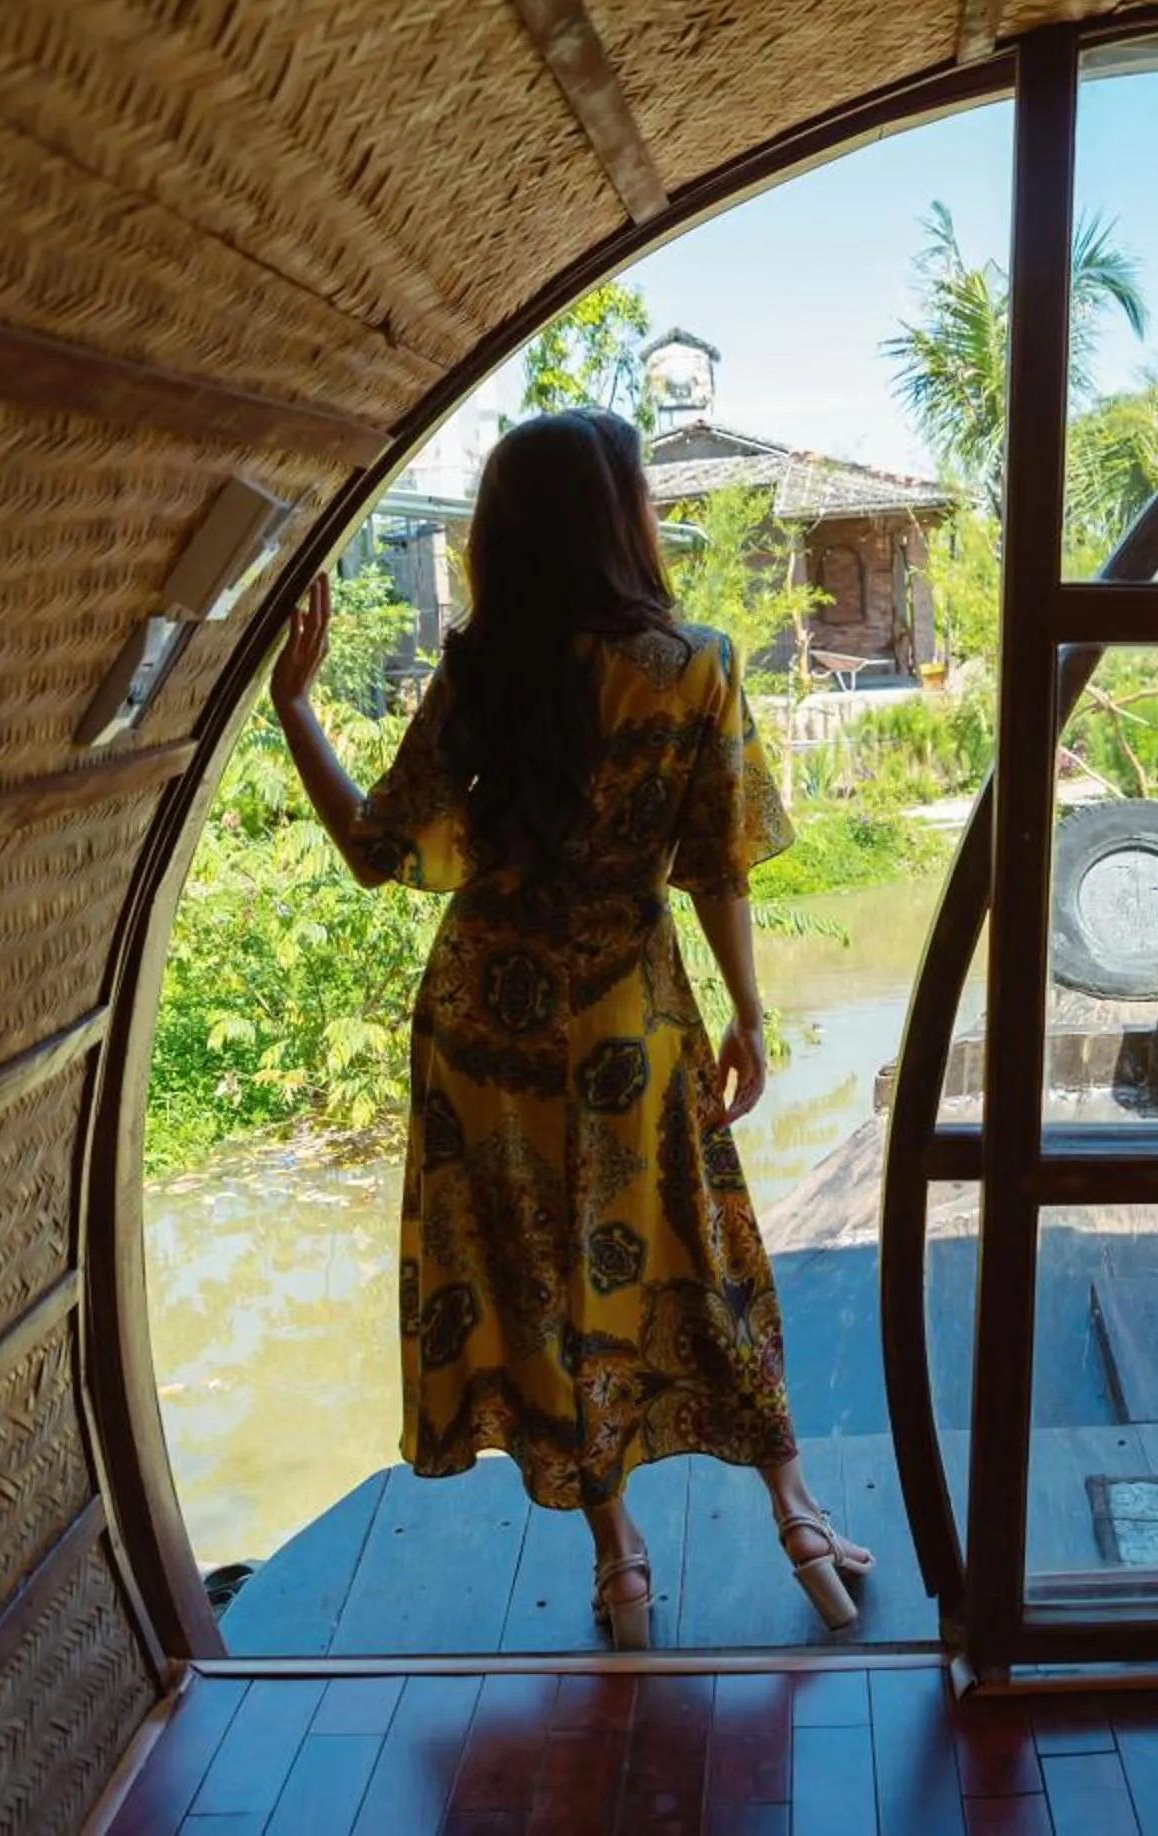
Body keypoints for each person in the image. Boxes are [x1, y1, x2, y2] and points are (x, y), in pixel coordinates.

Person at [270, 408, 870, 1648]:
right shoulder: (692, 664)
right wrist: (748, 1017)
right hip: (625, 1020)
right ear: (619, 521)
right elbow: (720, 865)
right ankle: (797, 1512)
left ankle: (619, 1563)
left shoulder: (480, 668)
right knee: (701, 1255)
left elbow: (380, 852)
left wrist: (293, 708)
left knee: (544, 1281)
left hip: (483, 1029)